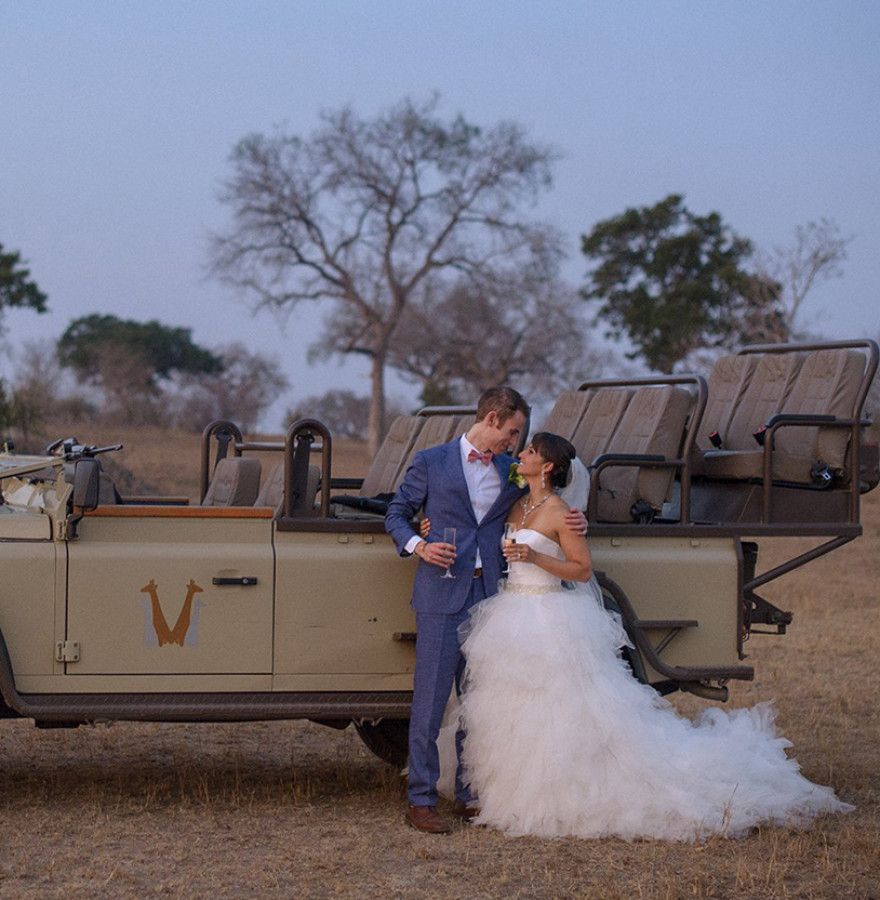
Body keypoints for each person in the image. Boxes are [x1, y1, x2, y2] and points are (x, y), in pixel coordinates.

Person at [451, 431, 853, 840]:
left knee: (558, 708)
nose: (521, 454)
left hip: (549, 614)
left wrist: (535, 555)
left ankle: (557, 796)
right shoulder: (517, 503)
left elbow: (582, 570)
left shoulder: (560, 512)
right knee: (514, 707)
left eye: (530, 451)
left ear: (548, 466)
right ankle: (513, 794)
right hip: (511, 611)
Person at [385, 387, 586, 834]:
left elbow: (543, 501)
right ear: (492, 419)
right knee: (430, 702)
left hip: (494, 599)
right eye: (512, 432)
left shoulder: (510, 470)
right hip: (440, 597)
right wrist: (419, 544)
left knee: (479, 703)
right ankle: (421, 800)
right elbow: (396, 513)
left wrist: (576, 519)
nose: (514, 443)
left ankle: (470, 793)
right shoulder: (431, 461)